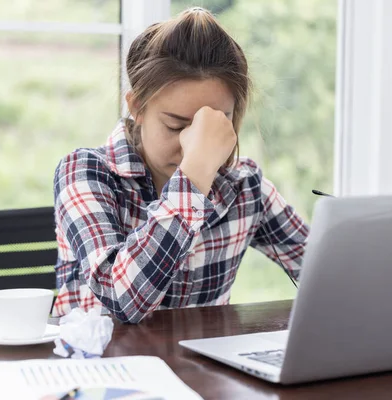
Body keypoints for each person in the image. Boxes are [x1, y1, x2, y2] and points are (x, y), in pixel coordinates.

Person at [52, 7, 309, 324]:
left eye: (212, 125)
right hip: (103, 368)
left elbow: (327, 272)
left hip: (202, 370)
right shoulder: (85, 173)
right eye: (176, 126)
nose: (193, 144)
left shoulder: (243, 187)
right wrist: (196, 174)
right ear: (137, 107)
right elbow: (121, 299)